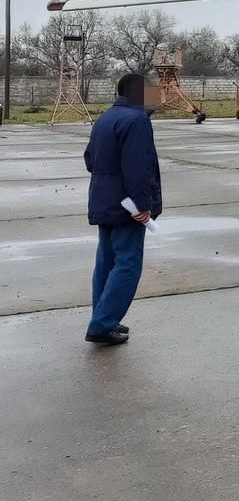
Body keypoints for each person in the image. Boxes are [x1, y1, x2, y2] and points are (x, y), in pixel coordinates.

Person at [83, 73, 162, 346]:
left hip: (103, 200)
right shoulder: (137, 120)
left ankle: (103, 318)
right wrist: (143, 205)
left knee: (105, 262)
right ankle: (103, 324)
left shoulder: (105, 118)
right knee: (127, 264)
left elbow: (89, 159)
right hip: (128, 206)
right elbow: (139, 168)